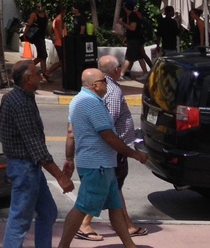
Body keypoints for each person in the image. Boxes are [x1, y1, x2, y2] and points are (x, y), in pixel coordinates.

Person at [56, 67, 148, 248]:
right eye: (104, 81)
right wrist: (134, 154)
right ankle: (63, 246)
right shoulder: (92, 104)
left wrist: (69, 158)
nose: (107, 85)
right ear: (96, 85)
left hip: (101, 164)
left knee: (115, 207)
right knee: (82, 207)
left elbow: (70, 132)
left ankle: (129, 245)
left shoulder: (77, 100)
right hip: (97, 165)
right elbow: (109, 136)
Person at [0, 60, 74, 248]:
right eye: (37, 73)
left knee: (47, 212)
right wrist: (61, 177)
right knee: (20, 219)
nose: (41, 76)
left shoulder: (18, 97)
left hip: (28, 167)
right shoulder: (20, 103)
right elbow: (36, 148)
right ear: (28, 79)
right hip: (24, 168)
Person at [118, 0, 150, 78]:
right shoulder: (130, 16)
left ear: (126, 8)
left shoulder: (132, 16)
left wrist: (123, 24)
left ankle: (122, 73)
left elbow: (133, 28)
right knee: (138, 56)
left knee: (129, 57)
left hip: (135, 39)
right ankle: (144, 73)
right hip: (135, 38)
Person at [26, 5, 50, 80]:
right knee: (42, 55)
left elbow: (46, 27)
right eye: (37, 7)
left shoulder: (46, 15)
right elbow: (29, 25)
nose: (39, 8)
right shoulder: (34, 15)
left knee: (43, 57)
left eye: (40, 6)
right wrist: (24, 34)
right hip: (36, 37)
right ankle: (27, 67)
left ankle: (44, 74)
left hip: (42, 37)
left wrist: (51, 36)